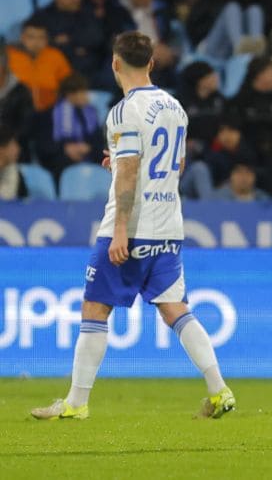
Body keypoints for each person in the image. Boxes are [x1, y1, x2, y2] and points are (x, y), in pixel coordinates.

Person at [31, 31, 235, 420]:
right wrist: (126, 167)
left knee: (94, 309)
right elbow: (174, 165)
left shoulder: (124, 111)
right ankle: (219, 389)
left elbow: (128, 171)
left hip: (131, 226)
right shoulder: (175, 107)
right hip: (168, 225)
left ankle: (76, 403)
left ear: (115, 64)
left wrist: (120, 229)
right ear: (152, 63)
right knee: (176, 308)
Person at [186, 0, 266, 59]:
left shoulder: (241, 1)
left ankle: (255, 48)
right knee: (232, 8)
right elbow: (193, 28)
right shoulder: (206, 0)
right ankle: (239, 45)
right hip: (210, 45)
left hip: (235, 48)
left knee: (254, 9)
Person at [33, 0, 106, 80]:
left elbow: (97, 37)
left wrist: (70, 39)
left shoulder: (87, 13)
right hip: (55, 67)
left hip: (88, 69)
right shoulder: (42, 16)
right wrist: (77, 47)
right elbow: (43, 43)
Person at [6, 18, 73, 113]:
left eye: (41, 37)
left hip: (50, 110)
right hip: (14, 110)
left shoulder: (55, 56)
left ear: (47, 39)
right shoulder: (7, 55)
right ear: (22, 38)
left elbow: (70, 85)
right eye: (31, 37)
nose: (36, 42)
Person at [50, 73, 105, 174]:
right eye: (82, 92)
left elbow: (98, 139)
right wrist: (66, 149)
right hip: (64, 158)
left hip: (90, 155)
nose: (85, 95)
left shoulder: (91, 111)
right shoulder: (54, 112)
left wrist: (88, 148)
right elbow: (51, 143)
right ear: (69, 95)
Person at [0, 128, 27, 200]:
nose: (18, 149)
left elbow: (8, 196)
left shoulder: (13, 168)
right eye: (13, 145)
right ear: (1, 149)